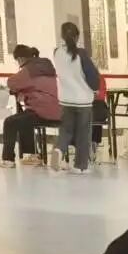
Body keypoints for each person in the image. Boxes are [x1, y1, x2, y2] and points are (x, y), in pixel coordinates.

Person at [51, 21, 99, 173]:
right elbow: (92, 76)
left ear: (62, 35)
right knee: (83, 134)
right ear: (77, 37)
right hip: (83, 100)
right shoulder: (81, 54)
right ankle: (80, 166)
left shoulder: (57, 53)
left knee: (66, 130)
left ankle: (59, 149)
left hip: (66, 100)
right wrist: (95, 88)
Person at [1, 45, 59, 167]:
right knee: (24, 118)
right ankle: (30, 155)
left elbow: (11, 82)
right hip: (58, 112)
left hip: (42, 112)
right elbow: (37, 86)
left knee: (9, 122)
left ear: (20, 59)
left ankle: (8, 160)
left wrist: (21, 91)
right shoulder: (47, 67)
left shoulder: (29, 69)